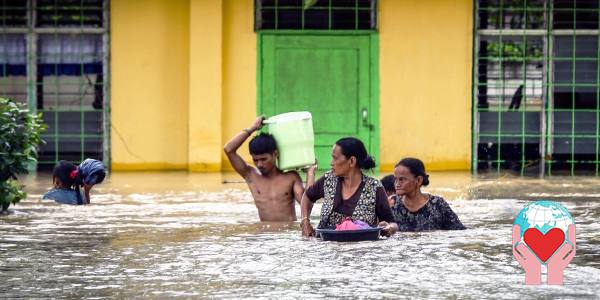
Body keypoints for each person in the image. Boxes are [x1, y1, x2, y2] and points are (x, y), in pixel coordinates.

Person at [224, 116, 317, 222]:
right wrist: (252, 128)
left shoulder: (291, 177)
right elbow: (228, 149)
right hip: (264, 236)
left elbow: (307, 204)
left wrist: (311, 173)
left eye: (264, 159)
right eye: (256, 160)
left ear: (275, 154)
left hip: (287, 235)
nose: (259, 164)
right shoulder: (250, 175)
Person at [300, 137, 398, 237]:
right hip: (327, 247)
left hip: (360, 249)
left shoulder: (374, 187)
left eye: (335, 158)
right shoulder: (327, 180)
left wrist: (388, 228)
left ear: (351, 161)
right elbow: (307, 197)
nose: (331, 163)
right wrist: (305, 221)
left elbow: (392, 223)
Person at [391, 157, 466, 231]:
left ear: (419, 180)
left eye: (402, 179)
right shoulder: (392, 204)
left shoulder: (437, 205)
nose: (397, 184)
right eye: (395, 179)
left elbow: (459, 231)